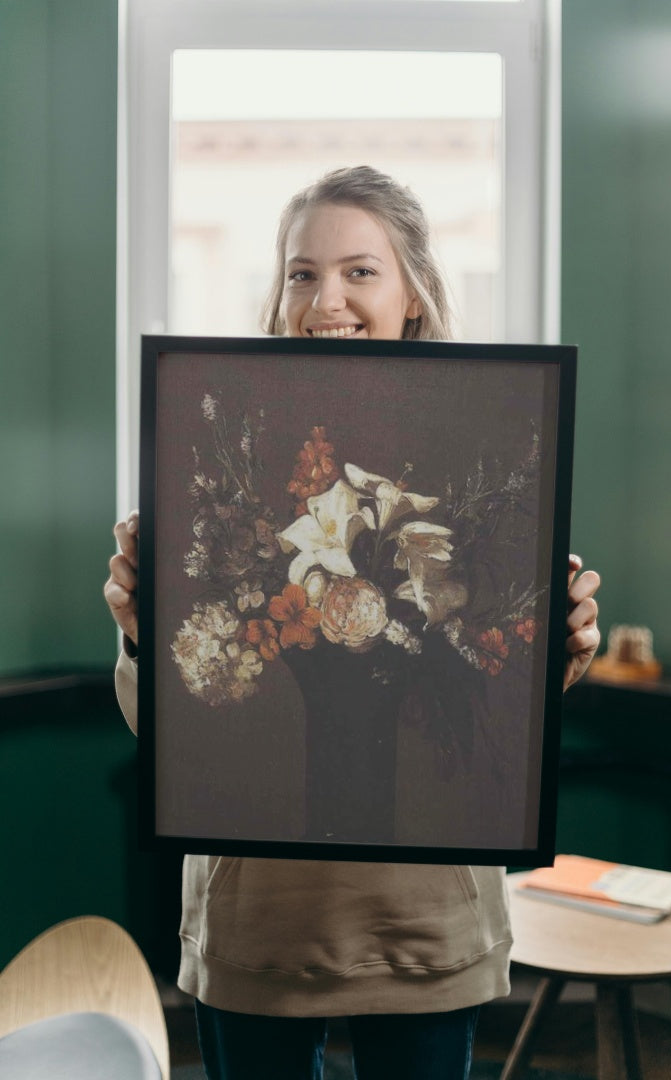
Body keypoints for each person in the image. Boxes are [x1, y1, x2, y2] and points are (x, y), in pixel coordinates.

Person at [105, 166, 601, 1080]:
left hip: (423, 921)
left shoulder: (488, 447)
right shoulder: (218, 460)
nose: (324, 298)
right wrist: (142, 633)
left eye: (358, 271)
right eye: (301, 272)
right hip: (259, 921)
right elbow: (175, 726)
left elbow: (494, 710)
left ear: (413, 291)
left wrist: (558, 647)